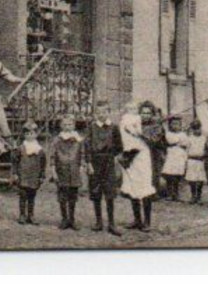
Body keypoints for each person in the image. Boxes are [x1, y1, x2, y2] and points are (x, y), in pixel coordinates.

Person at [84, 102, 123, 237]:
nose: (101, 115)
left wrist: (113, 157)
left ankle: (111, 223)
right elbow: (87, 147)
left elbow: (119, 146)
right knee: (96, 192)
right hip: (95, 162)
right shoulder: (91, 128)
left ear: (108, 112)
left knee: (110, 192)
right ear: (95, 114)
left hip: (109, 162)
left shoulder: (114, 128)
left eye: (104, 112)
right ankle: (98, 222)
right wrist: (88, 163)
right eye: (99, 112)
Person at [118, 101, 156, 230]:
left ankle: (147, 222)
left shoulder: (155, 126)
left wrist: (138, 133)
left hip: (145, 159)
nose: (145, 115)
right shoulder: (130, 121)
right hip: (131, 157)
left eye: (148, 113)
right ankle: (137, 220)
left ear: (152, 114)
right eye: (143, 112)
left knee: (144, 187)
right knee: (132, 185)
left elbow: (154, 142)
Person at [48, 115, 84, 230]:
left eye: (70, 124)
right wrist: (53, 170)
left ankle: (72, 219)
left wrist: (81, 166)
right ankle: (64, 219)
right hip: (61, 170)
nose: (67, 127)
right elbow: (52, 156)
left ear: (74, 125)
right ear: (61, 126)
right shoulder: (57, 140)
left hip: (74, 170)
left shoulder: (78, 140)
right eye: (65, 124)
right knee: (62, 195)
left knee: (73, 195)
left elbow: (82, 154)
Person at [13, 121, 46, 225]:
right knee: (23, 196)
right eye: (27, 134)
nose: (29, 136)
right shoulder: (20, 148)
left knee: (32, 196)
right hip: (23, 175)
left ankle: (31, 215)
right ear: (24, 135)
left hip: (34, 176)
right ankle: (22, 215)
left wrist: (42, 175)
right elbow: (15, 161)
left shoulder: (40, 150)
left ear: (36, 134)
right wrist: (15, 173)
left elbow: (43, 163)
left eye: (32, 134)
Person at [160, 114, 188, 200]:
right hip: (171, 155)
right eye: (173, 124)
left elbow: (186, 143)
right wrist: (178, 142)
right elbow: (170, 141)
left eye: (177, 124)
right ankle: (169, 193)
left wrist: (178, 142)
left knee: (177, 176)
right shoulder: (168, 134)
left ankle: (176, 193)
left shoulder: (183, 134)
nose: (175, 126)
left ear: (180, 125)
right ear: (170, 125)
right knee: (169, 175)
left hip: (180, 156)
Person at [183, 119, 208, 204]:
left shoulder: (204, 138)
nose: (197, 130)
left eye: (198, 128)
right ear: (192, 129)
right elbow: (186, 150)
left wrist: (204, 155)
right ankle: (193, 195)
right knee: (192, 179)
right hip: (192, 160)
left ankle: (199, 196)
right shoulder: (189, 138)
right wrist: (186, 161)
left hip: (200, 160)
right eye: (195, 128)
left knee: (200, 179)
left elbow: (206, 149)